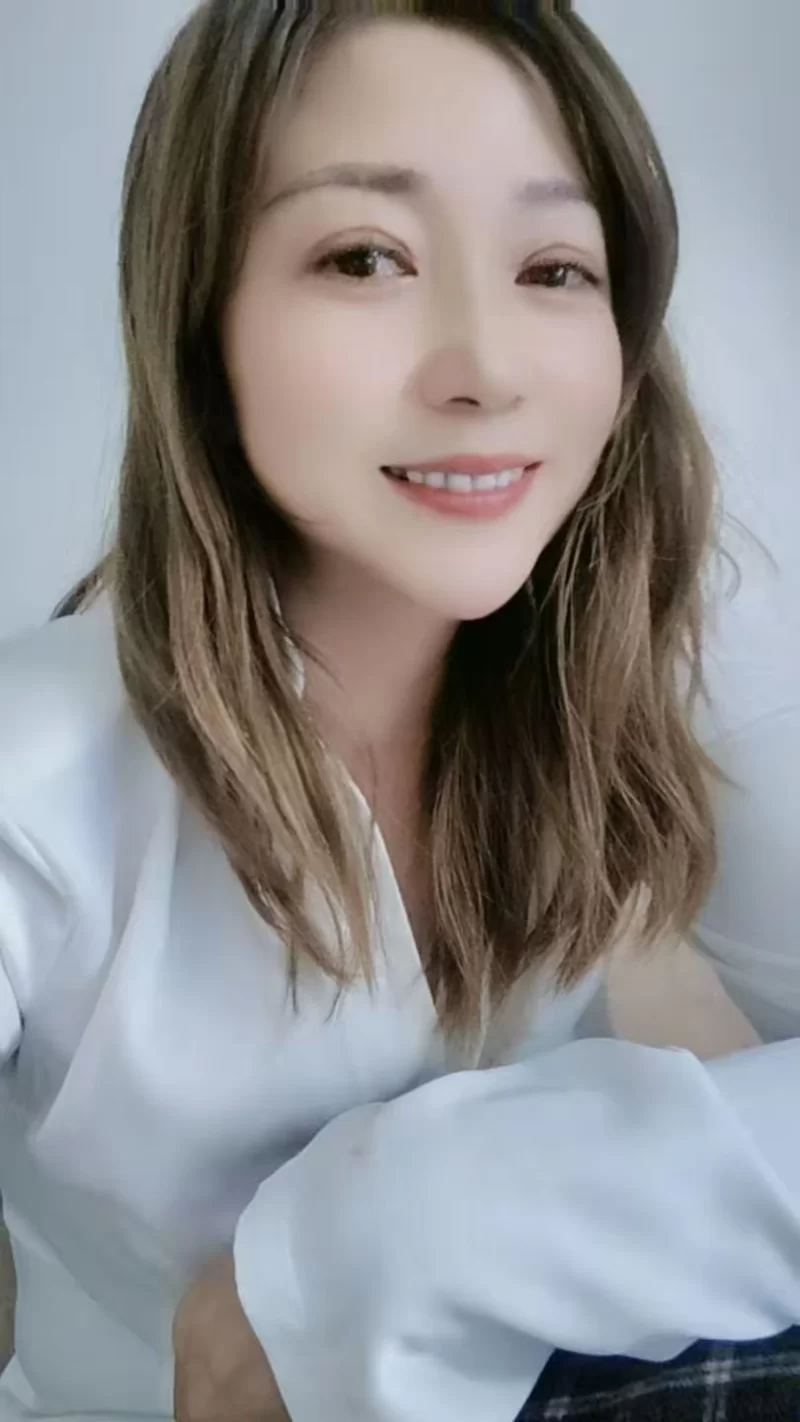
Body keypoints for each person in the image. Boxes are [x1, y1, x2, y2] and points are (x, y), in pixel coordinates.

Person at [0, 2, 798, 1419]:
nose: (484, 367)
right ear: (201, 316)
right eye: (366, 256)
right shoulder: (36, 771)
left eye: (554, 268)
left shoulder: (613, 700)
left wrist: (409, 1220)